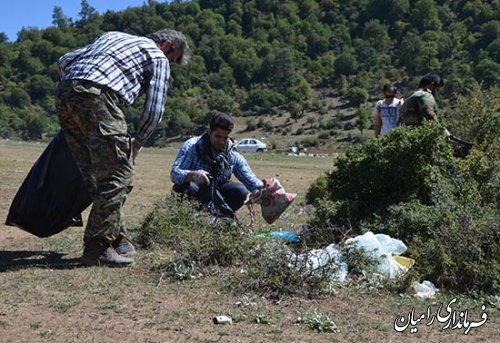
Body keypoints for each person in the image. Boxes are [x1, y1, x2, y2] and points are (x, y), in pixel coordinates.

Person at [56, 30, 190, 266]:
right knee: (119, 172)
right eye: (172, 58)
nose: (169, 63)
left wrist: (76, 89)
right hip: (100, 96)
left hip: (66, 94)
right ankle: (97, 246)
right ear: (166, 45)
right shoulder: (157, 57)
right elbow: (154, 109)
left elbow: (65, 60)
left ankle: (119, 238)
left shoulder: (113, 36)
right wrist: (138, 142)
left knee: (95, 174)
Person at [171, 112, 263, 219]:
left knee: (241, 191)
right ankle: (187, 219)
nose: (221, 141)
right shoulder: (192, 146)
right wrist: (193, 175)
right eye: (218, 136)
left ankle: (218, 220)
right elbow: (174, 173)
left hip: (218, 194)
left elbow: (249, 178)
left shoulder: (231, 154)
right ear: (210, 132)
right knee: (186, 187)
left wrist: (264, 190)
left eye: (225, 138)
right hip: (196, 193)